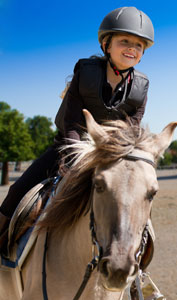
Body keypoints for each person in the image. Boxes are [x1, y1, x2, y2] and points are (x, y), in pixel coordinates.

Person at [0, 6, 155, 252]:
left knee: (138, 206)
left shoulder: (141, 87)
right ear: (106, 44)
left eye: (139, 45)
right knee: (16, 191)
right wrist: (78, 159)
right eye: (124, 41)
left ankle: (138, 267)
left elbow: (131, 132)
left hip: (109, 156)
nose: (132, 49)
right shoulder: (85, 73)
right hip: (69, 149)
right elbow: (71, 124)